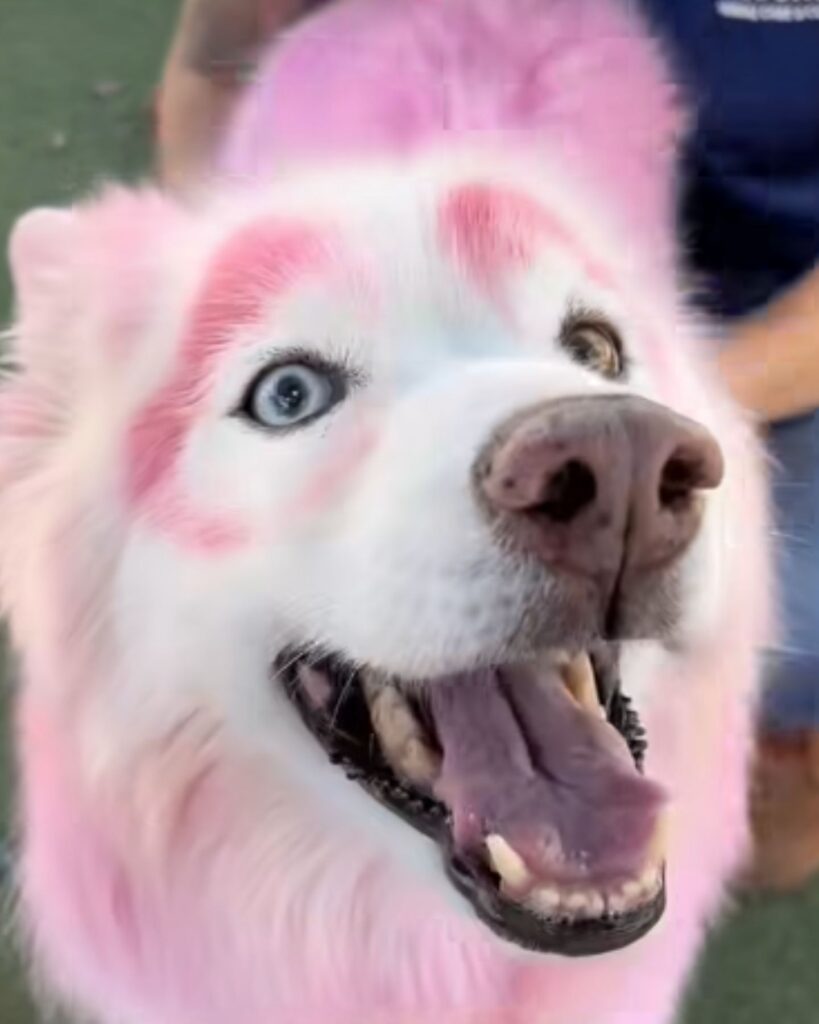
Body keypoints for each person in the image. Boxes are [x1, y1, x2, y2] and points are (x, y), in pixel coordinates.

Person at [155, 0, 819, 891]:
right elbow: (216, 71)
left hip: (759, 336)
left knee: (782, 648)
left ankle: (766, 774)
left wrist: (630, 405)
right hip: (412, 302)